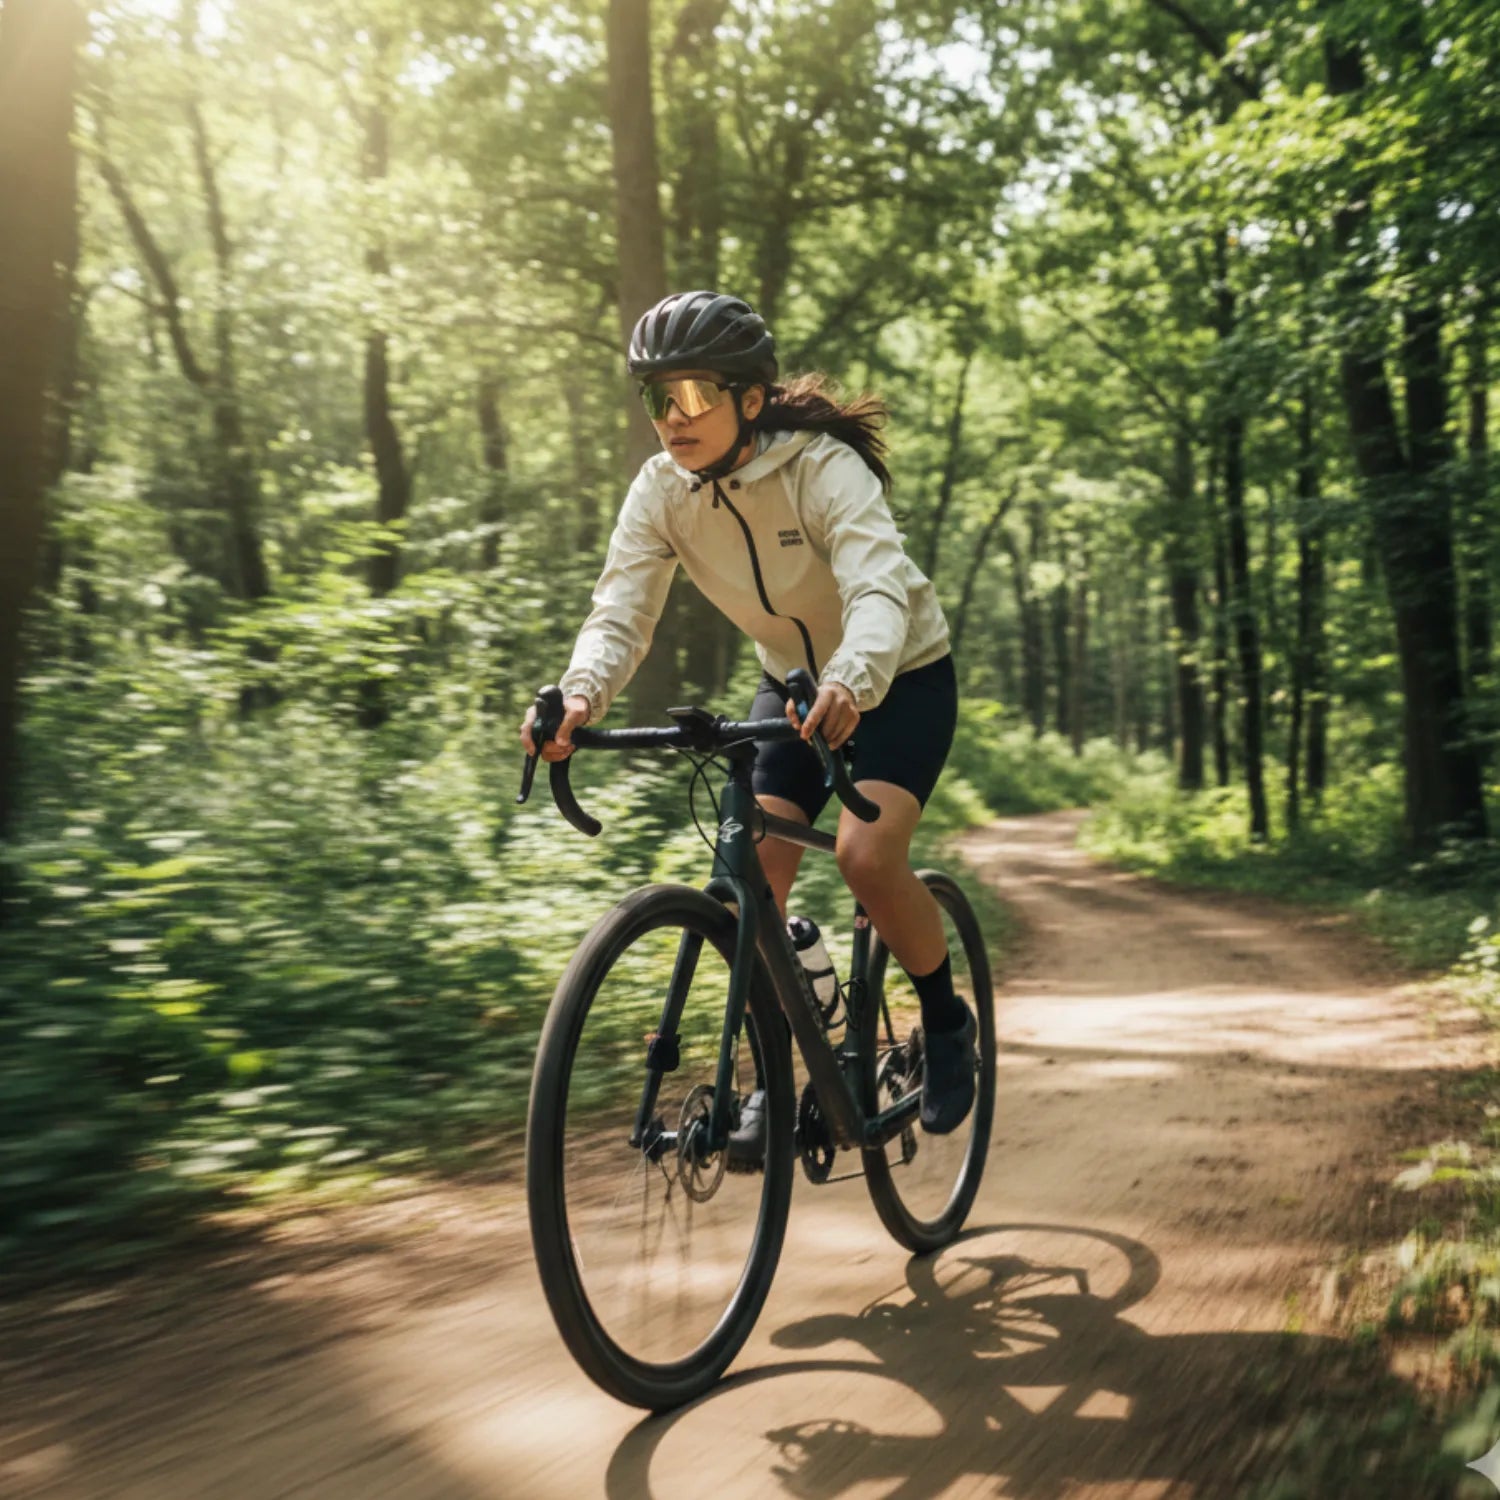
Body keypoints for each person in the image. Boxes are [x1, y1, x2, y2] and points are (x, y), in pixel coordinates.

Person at [519, 289, 973, 1140]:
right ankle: (781, 1065)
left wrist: (852, 681)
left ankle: (947, 1024)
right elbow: (620, 612)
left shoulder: (821, 469)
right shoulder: (661, 491)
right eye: (657, 397)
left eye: (694, 394)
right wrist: (580, 695)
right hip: (793, 684)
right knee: (750, 876)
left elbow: (877, 589)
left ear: (751, 399)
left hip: (899, 675)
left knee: (865, 855)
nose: (673, 417)